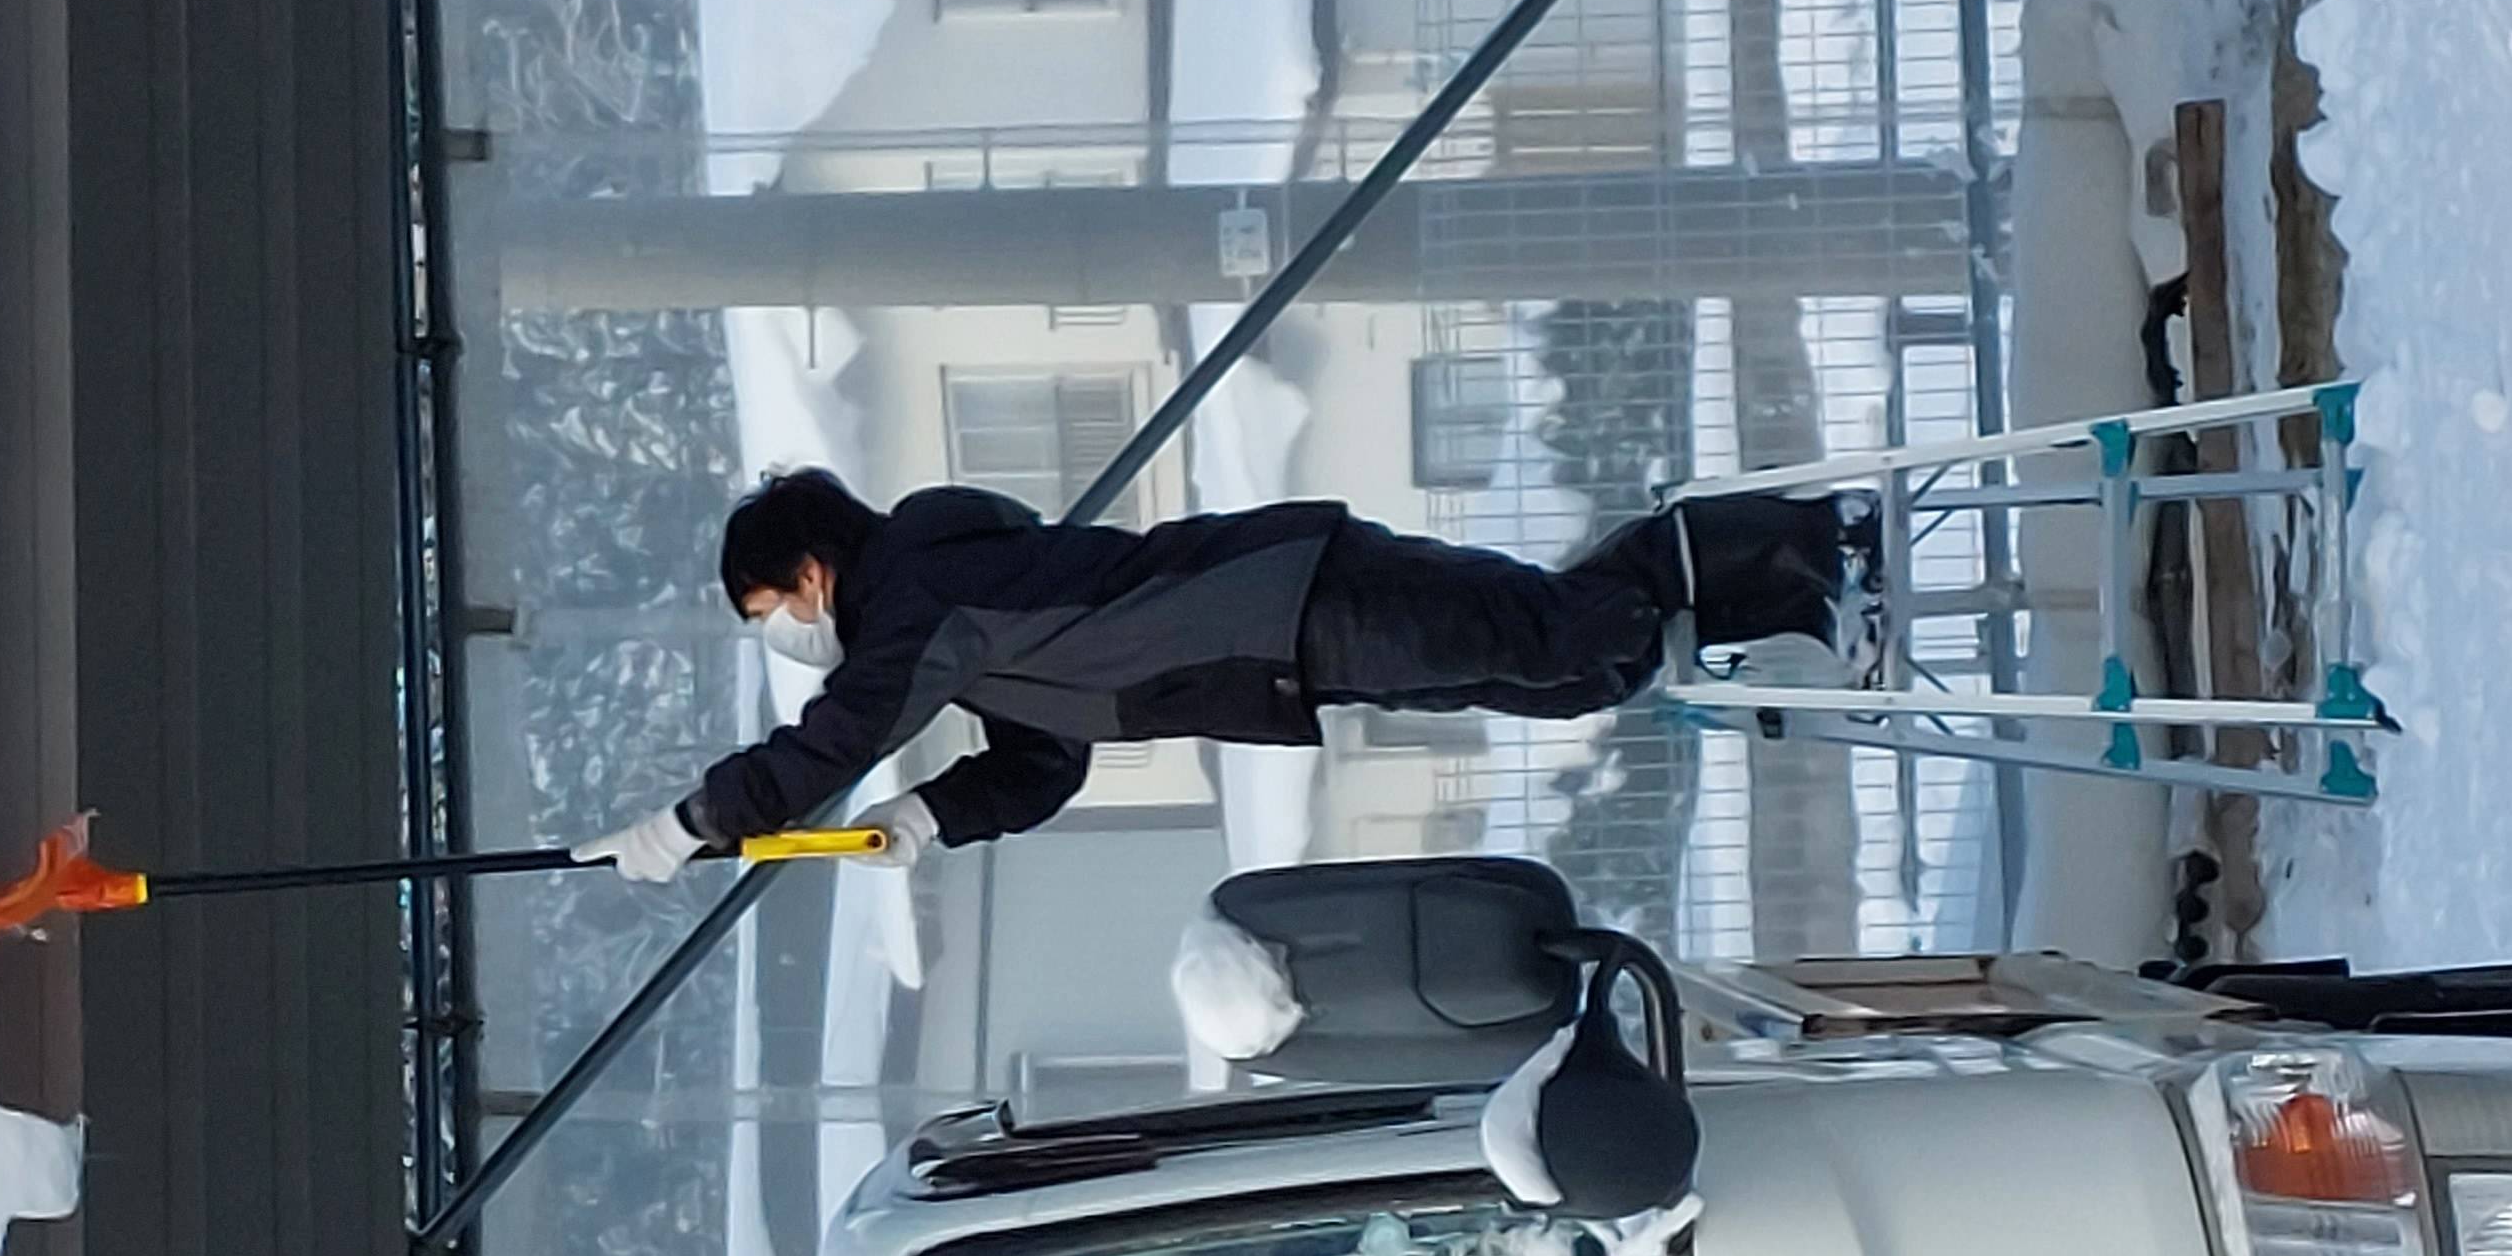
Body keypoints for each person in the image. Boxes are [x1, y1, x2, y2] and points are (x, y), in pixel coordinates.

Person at [574, 466, 1864, 880]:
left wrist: (695, 821)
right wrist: (931, 815)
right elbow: (1044, 759)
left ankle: (1801, 548)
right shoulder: (950, 621)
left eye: (770, 611)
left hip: (1288, 600)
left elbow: (831, 737)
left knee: (1560, 638)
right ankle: (1778, 585)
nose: (786, 635)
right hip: (1282, 658)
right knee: (1569, 670)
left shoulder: (915, 591)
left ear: (810, 570)